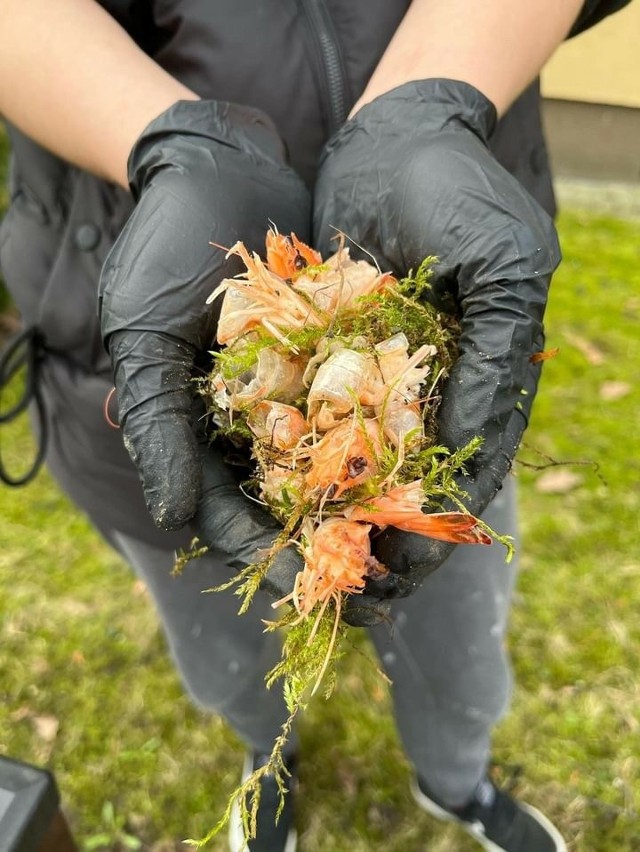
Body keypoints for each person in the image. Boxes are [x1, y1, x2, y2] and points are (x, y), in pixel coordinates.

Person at [0, 1, 630, 850]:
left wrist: (430, 100)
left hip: (440, 281)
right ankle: (270, 758)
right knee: (226, 649)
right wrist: (166, 141)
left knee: (460, 650)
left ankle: (459, 778)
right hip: (120, 304)